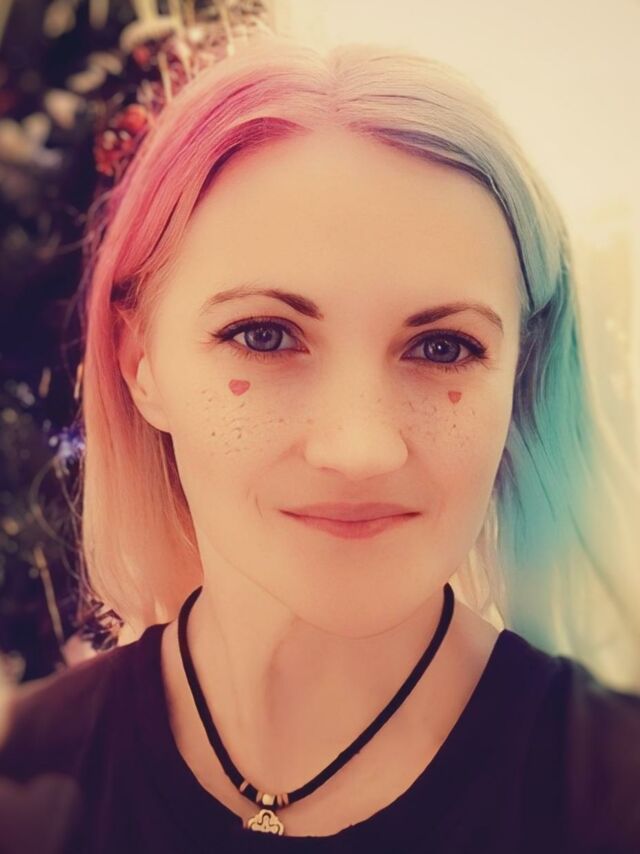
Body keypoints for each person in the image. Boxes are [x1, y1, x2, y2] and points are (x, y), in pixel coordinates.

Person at [1, 33, 639, 854]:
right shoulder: (27, 780)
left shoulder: (614, 795)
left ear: (519, 377)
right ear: (140, 364)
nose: (360, 449)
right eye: (264, 335)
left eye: (443, 346)